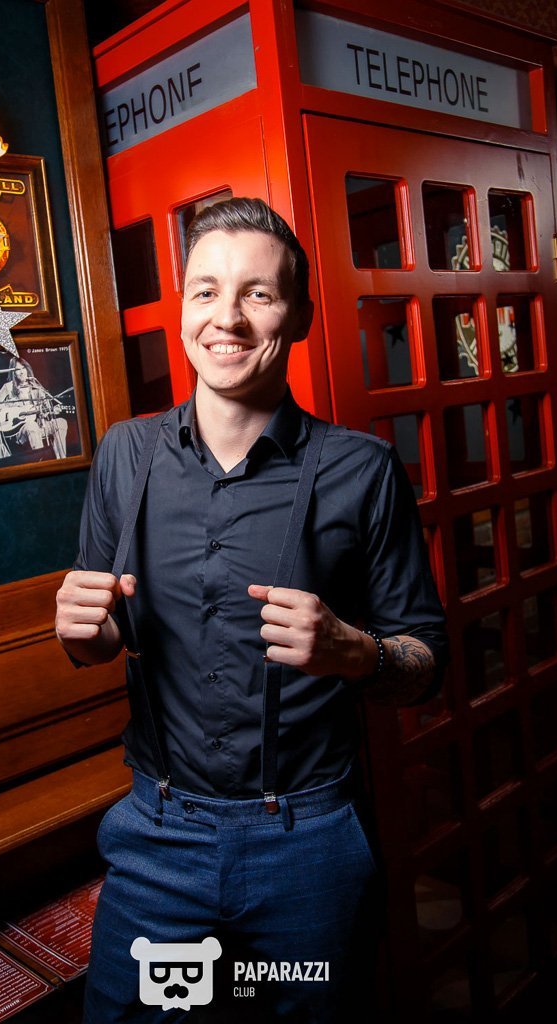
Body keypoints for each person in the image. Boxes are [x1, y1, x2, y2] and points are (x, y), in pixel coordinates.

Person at [55, 198, 448, 1023]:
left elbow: (426, 663)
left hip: (306, 843)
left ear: (298, 316)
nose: (225, 318)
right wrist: (84, 634)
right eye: (205, 291)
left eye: (257, 294)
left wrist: (353, 652)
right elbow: (102, 639)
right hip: (157, 835)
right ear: (183, 310)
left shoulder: (363, 470)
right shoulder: (125, 453)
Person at [0, 356, 68, 459]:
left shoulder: (35, 386)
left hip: (39, 425)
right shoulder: (8, 387)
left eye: (23, 368)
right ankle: (41, 462)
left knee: (61, 422)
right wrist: (10, 410)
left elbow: (44, 410)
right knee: (32, 426)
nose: (22, 372)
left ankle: (61, 460)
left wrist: (51, 411)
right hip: (20, 430)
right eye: (18, 370)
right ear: (13, 373)